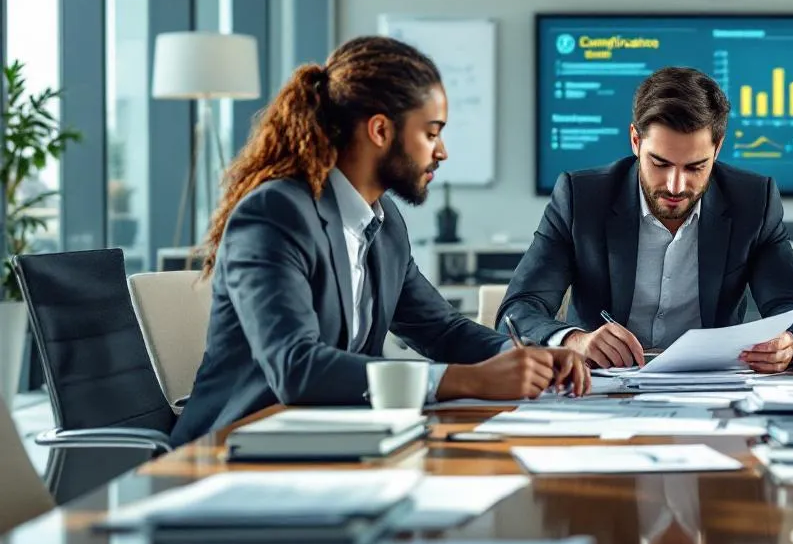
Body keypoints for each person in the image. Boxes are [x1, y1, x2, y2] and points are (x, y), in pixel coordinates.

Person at [173, 36, 589, 446]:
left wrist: (522, 355)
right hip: (231, 453)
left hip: (335, 445)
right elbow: (295, 367)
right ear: (380, 130)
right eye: (431, 133)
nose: (441, 152)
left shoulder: (385, 226)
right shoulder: (276, 215)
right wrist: (466, 379)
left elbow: (441, 330)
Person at [497, 66, 793, 372]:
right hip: (604, 385)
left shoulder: (753, 200)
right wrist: (575, 340)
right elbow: (519, 309)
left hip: (713, 387)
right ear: (636, 141)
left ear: (718, 148)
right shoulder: (580, 198)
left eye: (695, 167)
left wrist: (787, 341)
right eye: (660, 163)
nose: (675, 186)